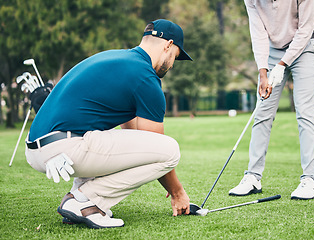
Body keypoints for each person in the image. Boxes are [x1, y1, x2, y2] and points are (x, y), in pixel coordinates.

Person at [25, 19, 193, 229]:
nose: (173, 63)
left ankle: (81, 199)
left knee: (111, 140)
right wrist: (178, 193)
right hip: (64, 147)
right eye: (176, 55)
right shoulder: (145, 77)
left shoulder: (120, 60)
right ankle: (84, 201)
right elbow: (158, 145)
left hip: (38, 148)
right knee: (170, 150)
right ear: (168, 45)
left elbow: (135, 138)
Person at [229, 0, 314, 200]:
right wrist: (263, 71)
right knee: (262, 113)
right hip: (272, 50)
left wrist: (282, 64)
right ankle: (253, 177)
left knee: (305, 112)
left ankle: (311, 180)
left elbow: (305, 29)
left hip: (304, 47)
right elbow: (258, 33)